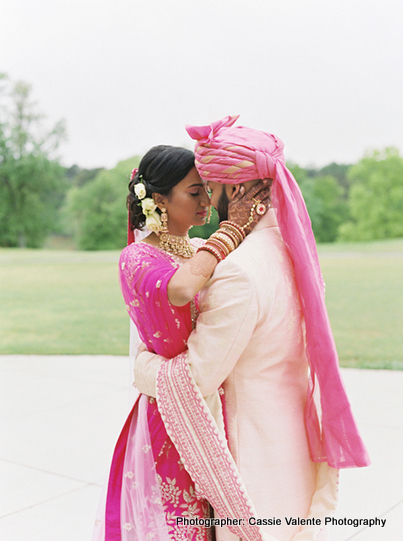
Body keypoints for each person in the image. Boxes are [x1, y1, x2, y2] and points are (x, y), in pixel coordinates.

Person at [134, 116, 371, 541]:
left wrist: (142, 368)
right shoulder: (291, 251)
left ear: (237, 190)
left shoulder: (239, 272)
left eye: (211, 185)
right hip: (294, 444)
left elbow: (196, 378)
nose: (207, 197)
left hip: (256, 460)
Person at [92, 144, 272, 541]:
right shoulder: (137, 257)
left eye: (208, 189)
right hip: (170, 414)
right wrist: (230, 232)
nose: (207, 200)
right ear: (159, 199)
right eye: (195, 192)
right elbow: (181, 288)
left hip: (210, 398)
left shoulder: (195, 250)